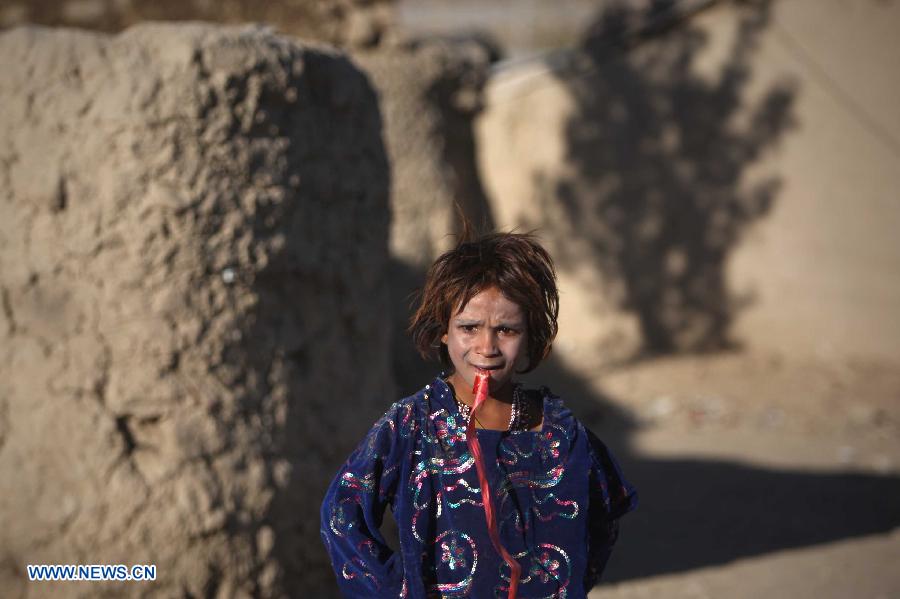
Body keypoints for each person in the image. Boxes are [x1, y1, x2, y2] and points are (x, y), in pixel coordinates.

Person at [320, 232, 637, 598]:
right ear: (443, 330)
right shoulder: (412, 425)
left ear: (531, 336)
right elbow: (341, 516)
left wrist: (565, 583)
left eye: (506, 329)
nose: (486, 347)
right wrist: (397, 588)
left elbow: (603, 517)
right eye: (469, 328)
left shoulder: (559, 433)